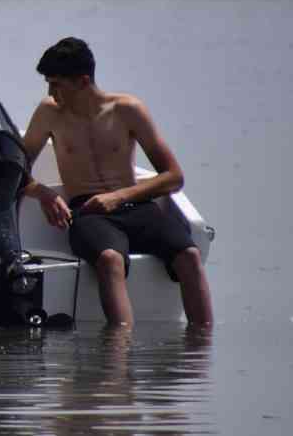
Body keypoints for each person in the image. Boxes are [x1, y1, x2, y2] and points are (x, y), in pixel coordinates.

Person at [21, 37, 213, 326]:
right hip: (88, 213)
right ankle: (118, 355)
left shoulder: (127, 109)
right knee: (110, 260)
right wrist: (44, 193)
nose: (51, 92)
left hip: (136, 206)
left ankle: (201, 349)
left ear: (83, 81)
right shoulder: (49, 113)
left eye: (57, 84)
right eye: (48, 84)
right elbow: (15, 171)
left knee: (189, 255)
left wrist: (120, 197)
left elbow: (174, 176)